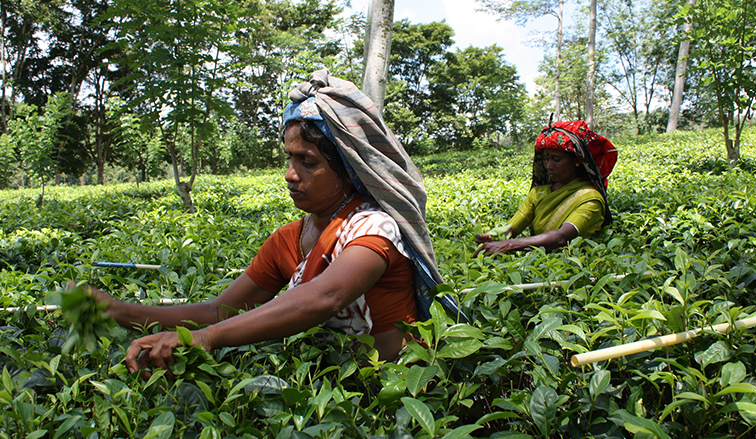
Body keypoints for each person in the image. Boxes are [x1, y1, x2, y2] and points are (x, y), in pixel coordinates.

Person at [84, 70, 461, 378]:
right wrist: (119, 311)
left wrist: (208, 338)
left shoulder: (374, 230)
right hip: (329, 387)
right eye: (289, 159)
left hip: (398, 387)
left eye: (307, 162)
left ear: (348, 170)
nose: (290, 175)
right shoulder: (288, 239)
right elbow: (220, 311)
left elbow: (323, 298)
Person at [474, 120, 617, 256]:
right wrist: (490, 236)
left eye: (556, 159)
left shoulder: (589, 199)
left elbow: (562, 237)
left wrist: (508, 245)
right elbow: (511, 228)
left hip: (576, 268)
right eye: (546, 159)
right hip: (539, 263)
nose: (549, 166)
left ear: (577, 161)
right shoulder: (539, 193)